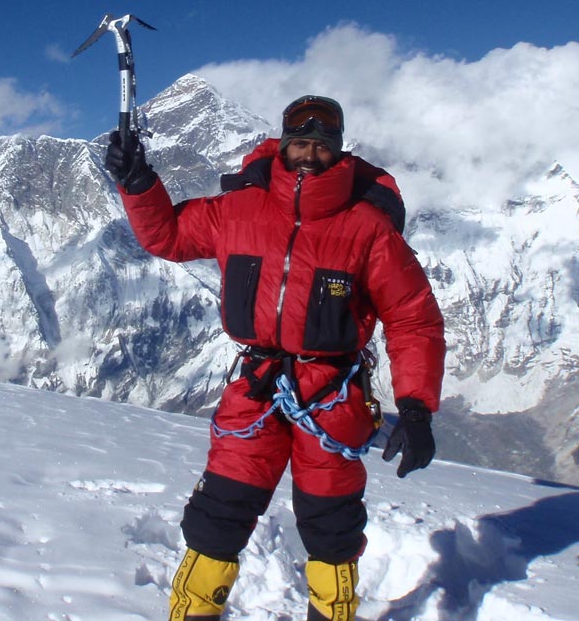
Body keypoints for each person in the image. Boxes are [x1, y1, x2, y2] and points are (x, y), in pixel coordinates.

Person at [104, 95, 445, 621]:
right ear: (284, 145)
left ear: (338, 152)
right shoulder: (239, 209)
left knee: (331, 528)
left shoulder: (367, 228)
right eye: (301, 143)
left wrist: (417, 407)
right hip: (257, 389)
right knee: (219, 514)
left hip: (331, 394)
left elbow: (412, 318)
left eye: (322, 146)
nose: (310, 155)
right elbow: (167, 236)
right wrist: (138, 182)